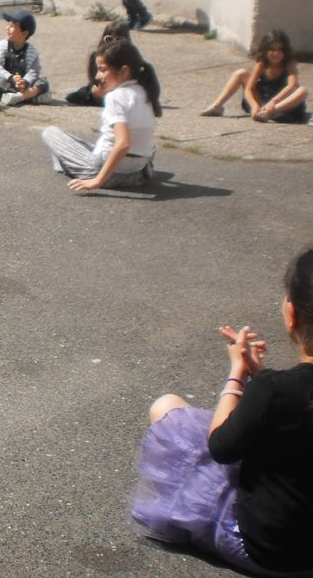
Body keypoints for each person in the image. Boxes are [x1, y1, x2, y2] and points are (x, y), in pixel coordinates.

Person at [130, 247, 313, 576]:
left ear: (291, 314)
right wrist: (262, 379)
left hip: (270, 552)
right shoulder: (277, 389)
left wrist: (239, 374)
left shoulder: (275, 390)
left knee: (168, 408)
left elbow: (221, 447)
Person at [41, 39, 161, 191]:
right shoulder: (144, 92)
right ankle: (69, 164)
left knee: (51, 133)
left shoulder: (115, 97)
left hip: (104, 171)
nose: (98, 76)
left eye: (103, 70)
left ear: (123, 71)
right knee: (83, 145)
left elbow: (123, 143)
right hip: (137, 174)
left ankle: (72, 168)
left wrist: (97, 181)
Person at [200, 29, 308, 123]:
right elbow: (249, 88)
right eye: (272, 49)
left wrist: (273, 104)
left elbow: (292, 86)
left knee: (303, 90)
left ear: (285, 51)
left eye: (280, 49)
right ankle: (217, 106)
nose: (276, 53)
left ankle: (268, 113)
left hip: (282, 105)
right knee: (241, 73)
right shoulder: (262, 62)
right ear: (265, 50)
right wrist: (254, 106)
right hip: (262, 101)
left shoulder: (289, 63)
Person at [0, 11, 50, 106]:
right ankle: (30, 96)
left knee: (43, 81)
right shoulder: (0, 47)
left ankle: (19, 97)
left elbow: (33, 71)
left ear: (24, 33)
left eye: (12, 26)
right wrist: (11, 78)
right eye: (8, 25)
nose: (7, 29)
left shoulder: (32, 52)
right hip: (5, 82)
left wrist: (24, 82)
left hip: (22, 85)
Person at [64, 21, 132, 107]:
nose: (114, 43)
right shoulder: (97, 57)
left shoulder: (131, 59)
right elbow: (96, 82)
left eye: (119, 40)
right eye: (109, 39)